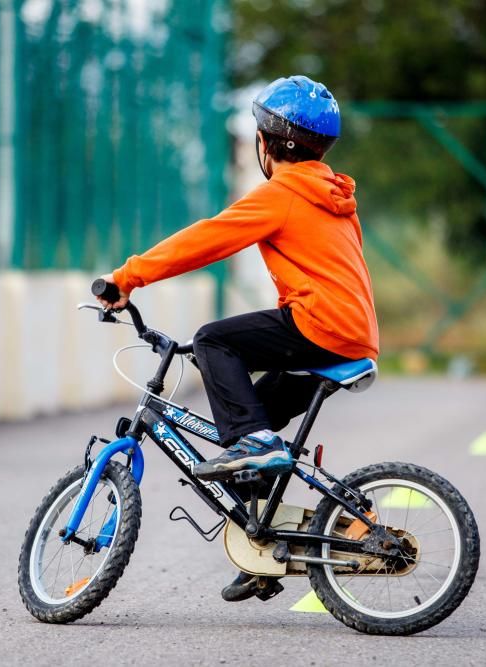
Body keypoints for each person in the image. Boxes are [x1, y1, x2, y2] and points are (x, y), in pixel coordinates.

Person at [96, 75, 379, 601]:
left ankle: (257, 444)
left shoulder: (283, 195)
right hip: (350, 334)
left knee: (214, 344)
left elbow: (205, 240)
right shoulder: (334, 197)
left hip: (322, 327)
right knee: (247, 428)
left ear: (269, 142)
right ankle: (263, 547)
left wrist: (127, 277)